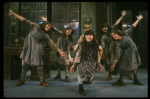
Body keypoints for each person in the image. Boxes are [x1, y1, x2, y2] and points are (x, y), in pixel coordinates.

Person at [8, 9, 66, 87]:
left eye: (50, 27)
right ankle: (22, 80)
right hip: (28, 47)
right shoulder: (35, 26)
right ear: (44, 25)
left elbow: (53, 44)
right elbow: (24, 20)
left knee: (39, 65)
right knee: (24, 64)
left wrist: (60, 52)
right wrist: (14, 14)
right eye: (47, 26)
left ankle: (42, 81)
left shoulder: (46, 35)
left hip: (37, 49)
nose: (48, 27)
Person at [110, 15, 143, 86]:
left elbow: (132, 27)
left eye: (114, 35)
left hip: (134, 52)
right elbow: (117, 54)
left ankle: (136, 79)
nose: (114, 37)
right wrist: (113, 64)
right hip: (127, 54)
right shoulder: (118, 44)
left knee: (135, 65)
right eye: (112, 37)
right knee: (123, 67)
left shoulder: (125, 33)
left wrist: (138, 20)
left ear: (118, 33)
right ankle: (120, 80)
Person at [41, 16, 75, 82]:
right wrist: (46, 21)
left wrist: (69, 56)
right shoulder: (61, 34)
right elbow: (53, 28)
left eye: (70, 32)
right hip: (59, 51)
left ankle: (66, 76)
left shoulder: (69, 39)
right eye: (68, 30)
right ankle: (59, 74)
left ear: (71, 34)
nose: (68, 32)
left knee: (66, 65)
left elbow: (68, 48)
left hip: (65, 53)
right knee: (58, 63)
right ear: (66, 30)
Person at [69, 30, 103, 95]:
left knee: (90, 76)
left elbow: (97, 55)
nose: (88, 36)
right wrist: (74, 65)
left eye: (90, 35)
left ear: (93, 36)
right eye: (87, 35)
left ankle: (86, 80)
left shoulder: (96, 45)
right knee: (80, 74)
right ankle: (80, 87)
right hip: (82, 62)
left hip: (91, 62)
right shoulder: (82, 44)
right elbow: (78, 55)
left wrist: (98, 63)